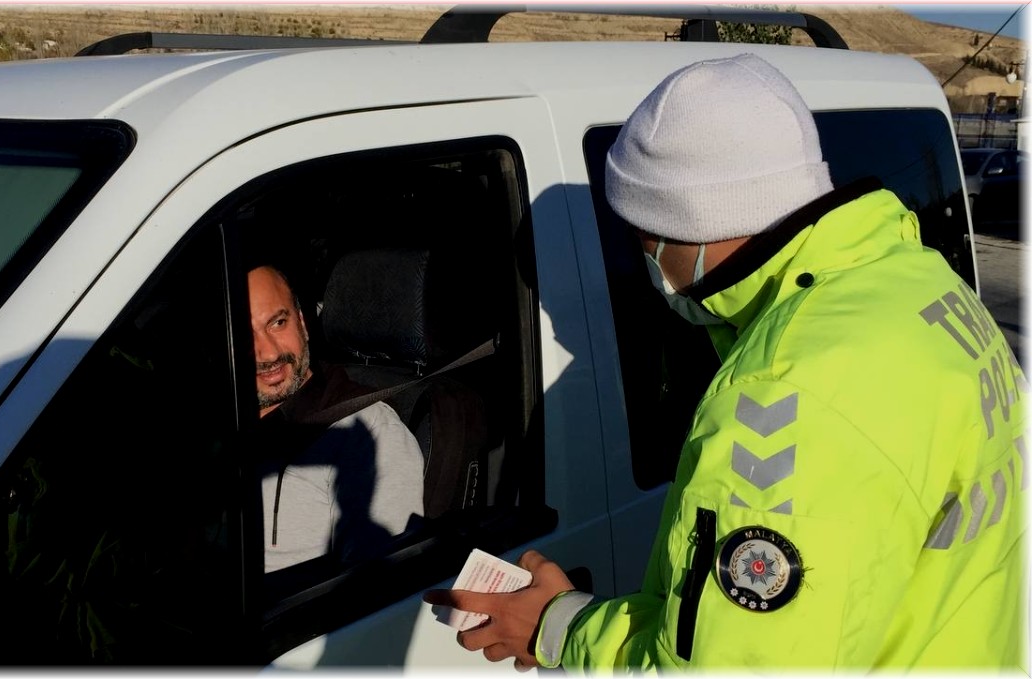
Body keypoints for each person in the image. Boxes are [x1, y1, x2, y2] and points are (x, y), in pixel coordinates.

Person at [424, 53, 1027, 671]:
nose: (645, 263)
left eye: (641, 238)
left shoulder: (785, 397)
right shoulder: (918, 283)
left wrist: (556, 626)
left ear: (692, 225)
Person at [248, 264, 426, 573]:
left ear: (302, 323)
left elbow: (381, 589)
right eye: (244, 335)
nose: (268, 353)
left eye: (278, 323)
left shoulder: (366, 432)